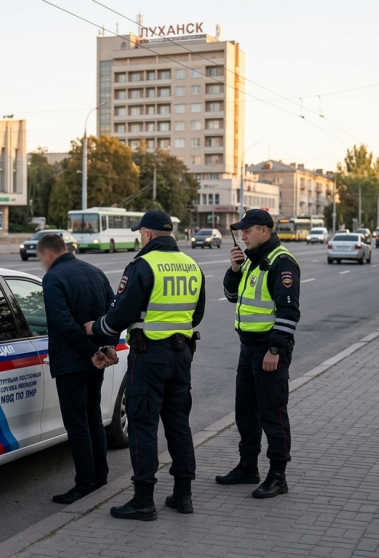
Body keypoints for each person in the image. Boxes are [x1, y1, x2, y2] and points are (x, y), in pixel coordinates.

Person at [85, 210, 205, 521]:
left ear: (148, 234)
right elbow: (197, 314)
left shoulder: (142, 265)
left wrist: (96, 329)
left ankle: (143, 500)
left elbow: (120, 314)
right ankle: (183, 495)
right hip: (182, 356)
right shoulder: (192, 265)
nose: (140, 237)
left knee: (142, 424)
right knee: (178, 424)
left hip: (150, 356)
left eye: (141, 232)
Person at [218, 209, 300, 499]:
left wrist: (275, 349)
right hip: (248, 348)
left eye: (247, 231)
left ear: (264, 230)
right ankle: (247, 467)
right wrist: (234, 269)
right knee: (245, 412)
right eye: (240, 232)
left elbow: (289, 312)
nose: (242, 236)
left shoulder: (281, 262)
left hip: (269, 350)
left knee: (272, 413)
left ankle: (278, 475)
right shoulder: (253, 262)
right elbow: (231, 296)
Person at [39, 233, 119, 505]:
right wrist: (107, 345)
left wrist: (91, 351)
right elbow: (113, 312)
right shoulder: (95, 271)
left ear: (48, 254)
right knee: (93, 418)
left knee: (77, 424)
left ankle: (85, 484)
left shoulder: (53, 278)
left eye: (40, 258)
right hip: (93, 361)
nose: (42, 263)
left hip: (72, 361)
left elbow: (62, 322)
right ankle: (100, 477)